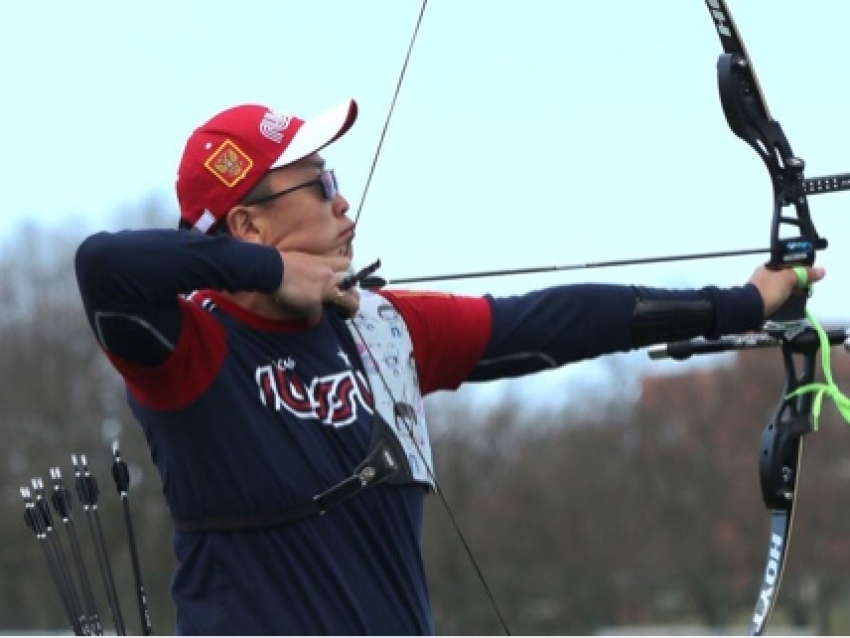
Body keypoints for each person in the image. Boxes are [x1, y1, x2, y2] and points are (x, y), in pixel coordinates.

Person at [74, 97, 824, 635]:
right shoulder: (190, 351)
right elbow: (103, 266)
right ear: (247, 224)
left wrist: (743, 303)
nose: (344, 207)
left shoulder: (381, 328)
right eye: (320, 184)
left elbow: (557, 319)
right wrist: (268, 273)